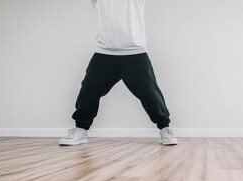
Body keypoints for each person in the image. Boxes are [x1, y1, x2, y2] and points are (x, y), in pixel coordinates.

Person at [59, 0, 178, 146]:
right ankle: (81, 129)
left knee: (150, 93)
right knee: (88, 91)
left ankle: (165, 129)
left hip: (135, 52)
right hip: (104, 52)